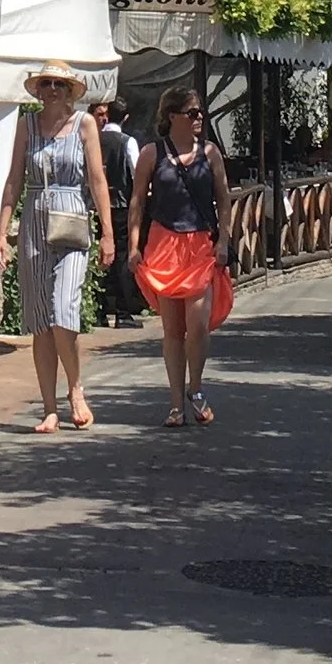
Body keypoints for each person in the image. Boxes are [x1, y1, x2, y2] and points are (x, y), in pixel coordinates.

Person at [0, 66, 115, 432]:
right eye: (45, 83)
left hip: (71, 219)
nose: (51, 89)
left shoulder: (84, 125)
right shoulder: (27, 125)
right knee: (40, 320)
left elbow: (97, 179)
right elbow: (14, 179)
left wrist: (108, 233)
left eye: (58, 84)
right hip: (34, 220)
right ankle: (49, 408)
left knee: (64, 309)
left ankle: (75, 388)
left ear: (70, 90)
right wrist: (1, 232)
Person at [129, 79, 234, 426]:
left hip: (200, 243)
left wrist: (223, 240)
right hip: (164, 244)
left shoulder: (210, 153)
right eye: (192, 113)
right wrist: (133, 246)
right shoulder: (151, 153)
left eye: (200, 112)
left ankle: (196, 388)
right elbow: (137, 202)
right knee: (173, 330)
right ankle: (176, 404)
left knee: (198, 325)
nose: (199, 117)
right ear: (172, 116)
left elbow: (224, 198)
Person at [98, 101, 142, 323]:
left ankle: (99, 311)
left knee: (99, 256)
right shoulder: (128, 142)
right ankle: (123, 313)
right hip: (121, 205)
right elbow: (137, 173)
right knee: (122, 256)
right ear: (125, 118)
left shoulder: (94, 139)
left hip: (97, 206)